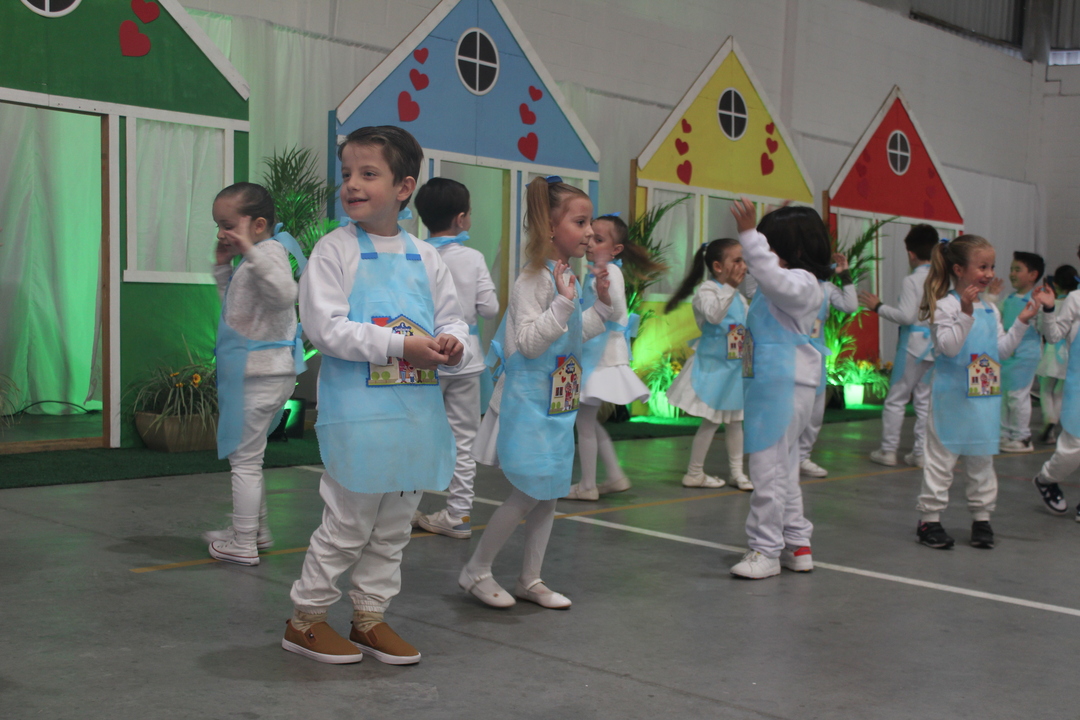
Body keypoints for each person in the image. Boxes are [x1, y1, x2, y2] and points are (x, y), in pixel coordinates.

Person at [282, 126, 470, 665]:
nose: (352, 185)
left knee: (392, 530)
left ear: (404, 187)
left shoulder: (426, 257)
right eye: (347, 174)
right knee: (347, 525)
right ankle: (305, 619)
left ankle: (370, 617)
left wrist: (452, 342)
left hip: (415, 417)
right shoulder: (334, 251)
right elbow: (325, 328)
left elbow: (451, 316)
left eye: (369, 173)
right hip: (359, 419)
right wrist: (400, 344)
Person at [461, 176, 611, 609]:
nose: (590, 233)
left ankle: (530, 578)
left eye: (590, 223)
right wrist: (563, 303)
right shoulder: (533, 280)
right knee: (529, 490)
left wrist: (600, 306)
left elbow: (571, 333)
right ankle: (476, 569)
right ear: (549, 227)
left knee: (549, 491)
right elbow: (528, 342)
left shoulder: (563, 277)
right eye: (580, 222)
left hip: (555, 403)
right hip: (526, 403)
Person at [728, 200, 834, 579]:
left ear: (793, 248)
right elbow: (761, 280)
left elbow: (771, 277)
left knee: (768, 469)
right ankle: (797, 544)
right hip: (774, 385)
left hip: (783, 386)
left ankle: (766, 549)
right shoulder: (785, 285)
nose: (763, 253)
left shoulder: (802, 283)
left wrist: (749, 234)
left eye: (771, 244)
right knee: (782, 468)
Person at [204, 182, 306, 566]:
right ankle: (255, 532)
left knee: (244, 461)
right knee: (251, 456)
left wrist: (247, 250)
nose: (221, 233)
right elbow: (237, 311)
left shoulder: (269, 253)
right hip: (263, 374)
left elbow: (285, 293)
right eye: (218, 225)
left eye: (228, 225)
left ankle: (243, 542)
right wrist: (223, 268)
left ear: (258, 225)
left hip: (260, 376)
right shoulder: (255, 259)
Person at [914, 236, 1036, 550]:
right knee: (941, 459)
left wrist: (1021, 323)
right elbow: (949, 348)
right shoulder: (946, 305)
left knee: (981, 459)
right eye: (982, 267)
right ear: (959, 269)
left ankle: (982, 518)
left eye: (991, 266)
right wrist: (965, 312)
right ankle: (929, 519)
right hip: (951, 395)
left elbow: (1001, 351)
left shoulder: (991, 309)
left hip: (983, 394)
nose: (989, 273)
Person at [411, 177, 500, 536]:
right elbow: (490, 308)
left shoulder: (416, 253)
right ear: (461, 218)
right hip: (465, 358)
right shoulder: (473, 257)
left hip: (422, 357)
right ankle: (459, 515)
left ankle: (402, 513)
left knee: (416, 436)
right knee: (464, 440)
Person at [564, 213, 660, 500]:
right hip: (599, 353)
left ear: (616, 249)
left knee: (585, 422)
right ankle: (614, 476)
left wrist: (601, 292)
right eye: (590, 236)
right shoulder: (601, 272)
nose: (591, 242)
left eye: (599, 239)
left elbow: (616, 310)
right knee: (589, 421)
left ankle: (588, 485)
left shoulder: (609, 273)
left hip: (601, 356)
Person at [663, 238, 753, 491]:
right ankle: (694, 473)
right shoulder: (707, 291)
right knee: (711, 421)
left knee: (735, 421)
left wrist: (749, 369)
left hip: (734, 369)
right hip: (712, 368)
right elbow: (714, 315)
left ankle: (737, 473)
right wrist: (730, 287)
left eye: (744, 261)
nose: (743, 266)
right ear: (717, 266)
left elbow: (746, 332)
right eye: (737, 261)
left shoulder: (739, 298)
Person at [859, 224, 939, 467]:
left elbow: (906, 316)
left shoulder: (912, 280)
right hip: (934, 346)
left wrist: (878, 306)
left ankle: (888, 450)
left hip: (912, 345)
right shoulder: (942, 279)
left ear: (911, 254)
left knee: (896, 398)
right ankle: (920, 453)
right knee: (925, 401)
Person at [796, 254, 858, 478]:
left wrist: (845, 275)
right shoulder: (793, 282)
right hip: (792, 353)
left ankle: (802, 457)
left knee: (815, 412)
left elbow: (851, 306)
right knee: (793, 409)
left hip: (817, 354)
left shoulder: (827, 288)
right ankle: (784, 457)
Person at [1031, 273, 1080, 518]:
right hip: (1078, 385)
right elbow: (1053, 336)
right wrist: (1049, 309)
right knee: (1074, 447)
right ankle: (1046, 479)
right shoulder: (1075, 299)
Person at [991, 251, 1045, 453]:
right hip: (1008, 354)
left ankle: (1022, 437)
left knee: (1018, 396)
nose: (1012, 274)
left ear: (1033, 275)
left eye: (1018, 270)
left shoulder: (1037, 300)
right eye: (1011, 269)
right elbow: (995, 317)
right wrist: (991, 297)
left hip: (1025, 355)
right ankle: (1005, 434)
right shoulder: (1010, 298)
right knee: (1005, 395)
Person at [1035, 266, 1078, 444]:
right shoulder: (1074, 300)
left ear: (1056, 284)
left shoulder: (1054, 304)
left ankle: (1050, 420)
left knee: (1045, 389)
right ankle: (1053, 428)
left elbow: (1043, 329)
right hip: (1069, 356)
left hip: (1052, 353)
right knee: (1059, 392)